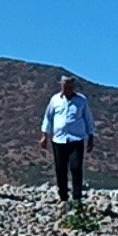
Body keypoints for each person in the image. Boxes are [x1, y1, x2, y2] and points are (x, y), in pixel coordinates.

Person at [38, 75, 96, 213]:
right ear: (61, 86)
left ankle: (77, 198)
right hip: (59, 139)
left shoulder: (81, 100)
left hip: (76, 139)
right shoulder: (55, 100)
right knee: (60, 169)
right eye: (65, 87)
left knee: (76, 168)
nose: (67, 89)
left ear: (74, 87)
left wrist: (91, 137)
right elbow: (48, 117)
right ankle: (63, 197)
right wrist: (44, 135)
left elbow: (88, 119)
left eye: (70, 87)